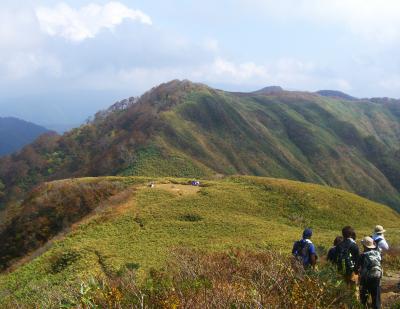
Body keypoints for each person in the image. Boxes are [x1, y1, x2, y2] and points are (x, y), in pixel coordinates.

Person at [359, 236, 382, 309]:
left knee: (364, 298)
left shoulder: (363, 255)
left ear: (364, 246)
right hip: (377, 277)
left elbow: (359, 266)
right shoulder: (378, 253)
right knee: (376, 299)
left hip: (366, 278)